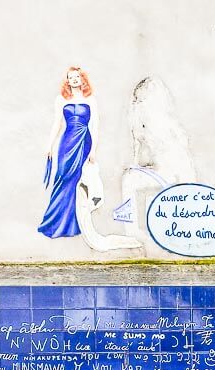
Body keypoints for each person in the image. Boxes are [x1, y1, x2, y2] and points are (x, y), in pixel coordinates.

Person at [38, 65, 141, 251]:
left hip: (83, 142)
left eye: (77, 76)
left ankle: (74, 224)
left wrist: (93, 150)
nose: (74, 80)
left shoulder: (90, 100)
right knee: (63, 176)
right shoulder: (61, 100)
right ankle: (55, 222)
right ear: (67, 81)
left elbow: (94, 127)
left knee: (78, 180)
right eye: (71, 77)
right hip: (67, 142)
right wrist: (49, 146)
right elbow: (57, 123)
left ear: (82, 79)